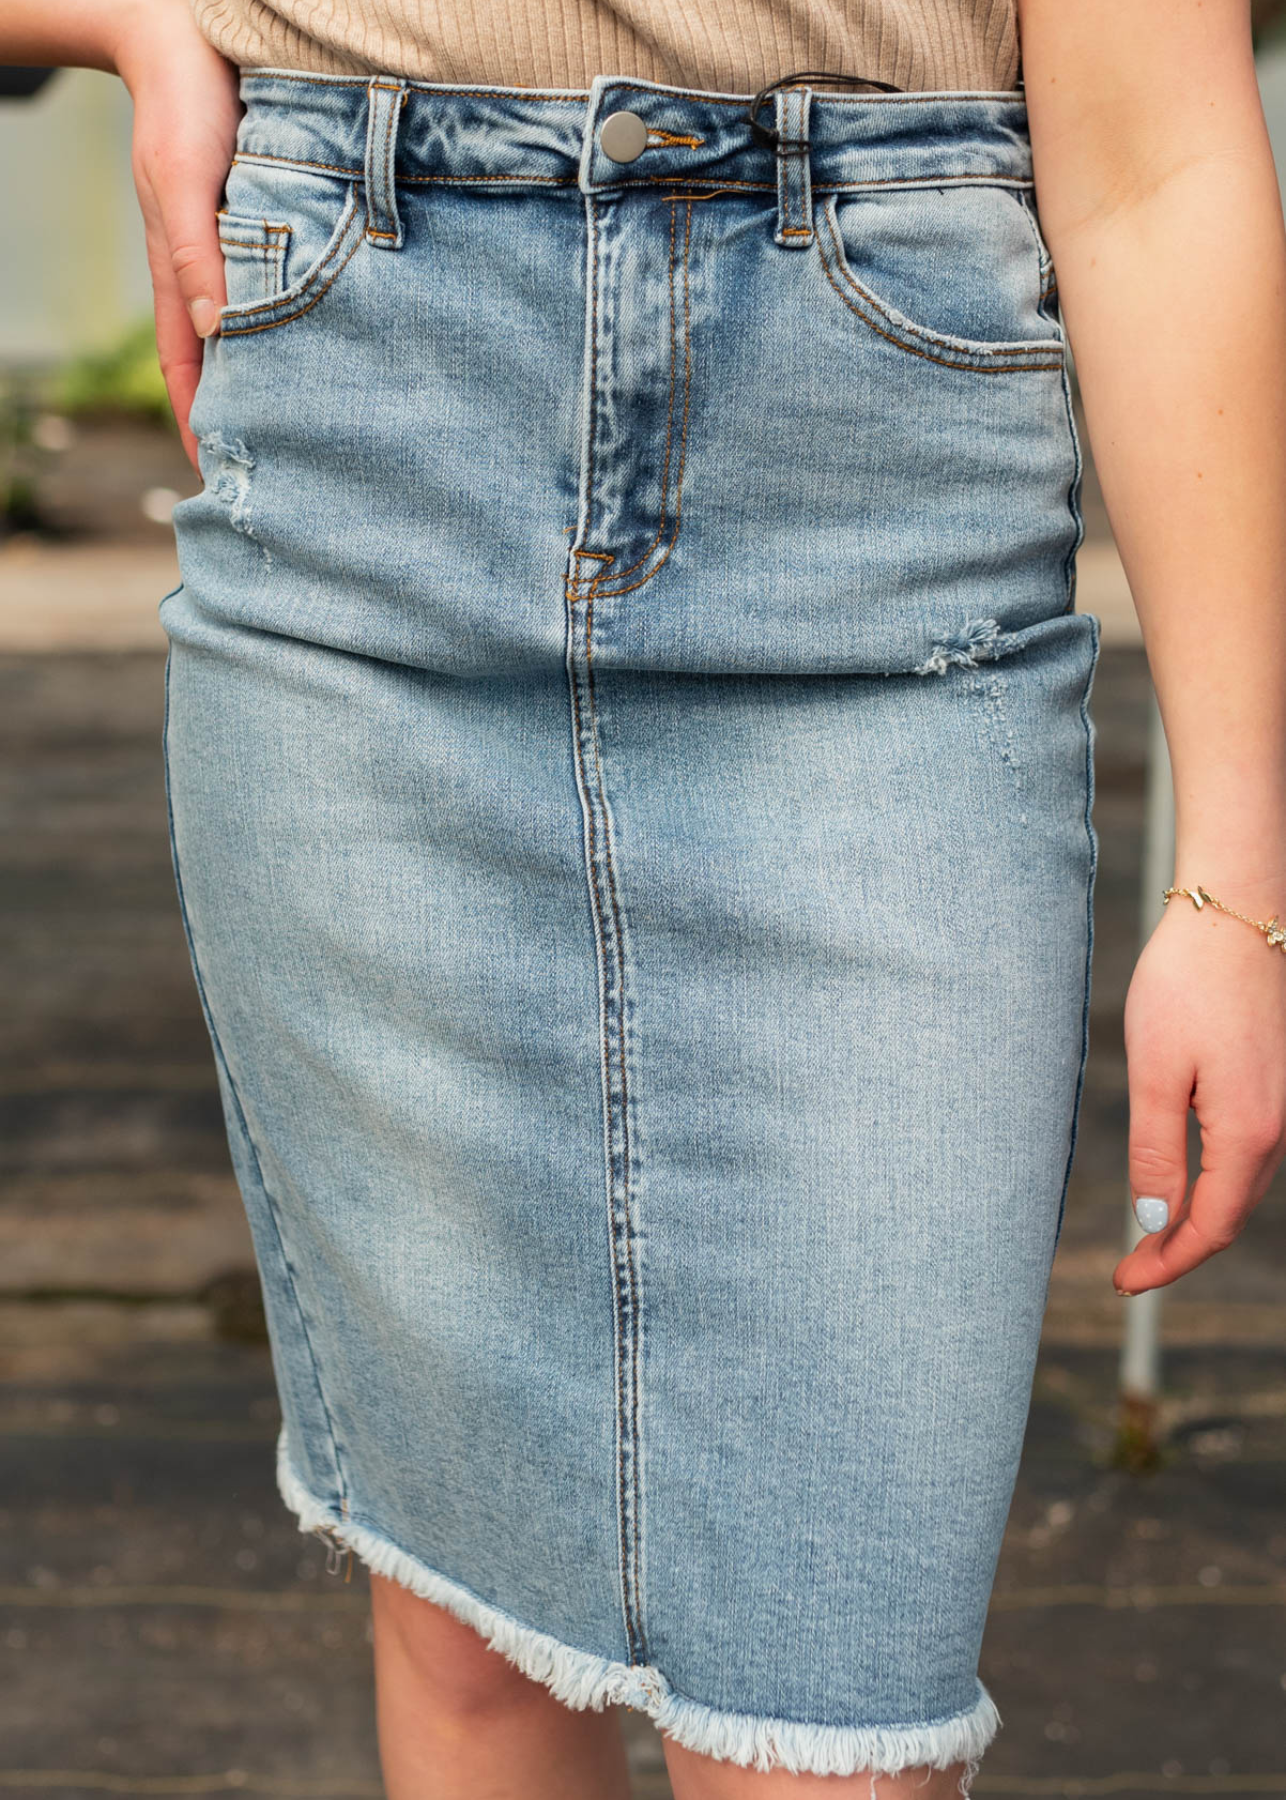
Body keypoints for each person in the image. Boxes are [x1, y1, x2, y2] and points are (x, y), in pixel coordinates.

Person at [7, 1, 1286, 1794]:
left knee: (838, 1726)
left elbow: (1154, 167)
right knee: (466, 1638)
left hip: (872, 528)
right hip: (368, 456)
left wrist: (1236, 877)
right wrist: (133, 20)